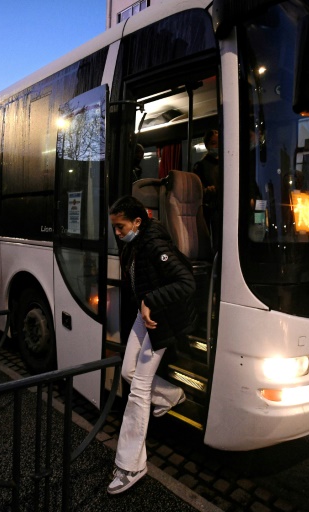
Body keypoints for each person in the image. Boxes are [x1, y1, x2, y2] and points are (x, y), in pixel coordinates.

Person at [107, 195, 195, 495]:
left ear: (137, 222)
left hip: (161, 321)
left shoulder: (153, 245)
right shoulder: (133, 243)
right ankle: (172, 395)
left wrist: (150, 302)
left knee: (139, 390)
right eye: (115, 228)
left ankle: (131, 465)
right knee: (128, 371)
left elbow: (186, 283)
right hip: (145, 316)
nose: (117, 233)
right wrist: (144, 305)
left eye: (121, 227)